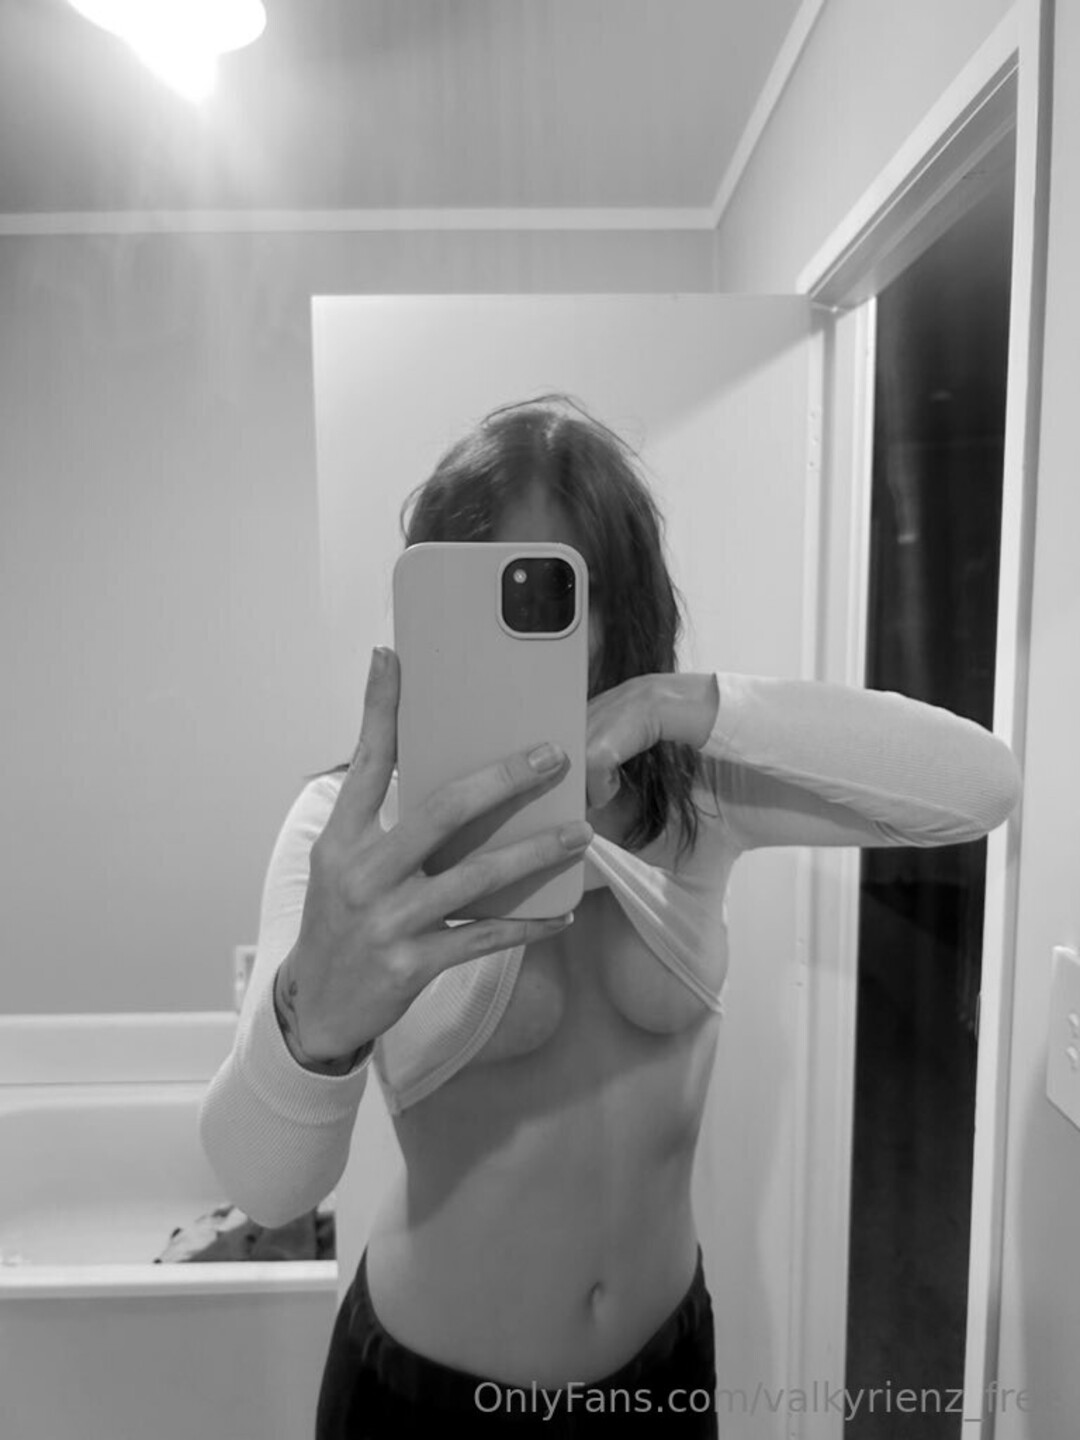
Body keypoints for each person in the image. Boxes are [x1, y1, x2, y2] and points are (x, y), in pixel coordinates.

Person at [198, 394, 1022, 1438]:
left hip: (663, 1375)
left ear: (620, 604)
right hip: (423, 1401)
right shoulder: (357, 834)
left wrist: (686, 705)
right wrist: (310, 1026)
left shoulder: (698, 792)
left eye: (552, 590)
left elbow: (980, 786)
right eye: (476, 587)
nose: (515, 635)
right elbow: (265, 1187)